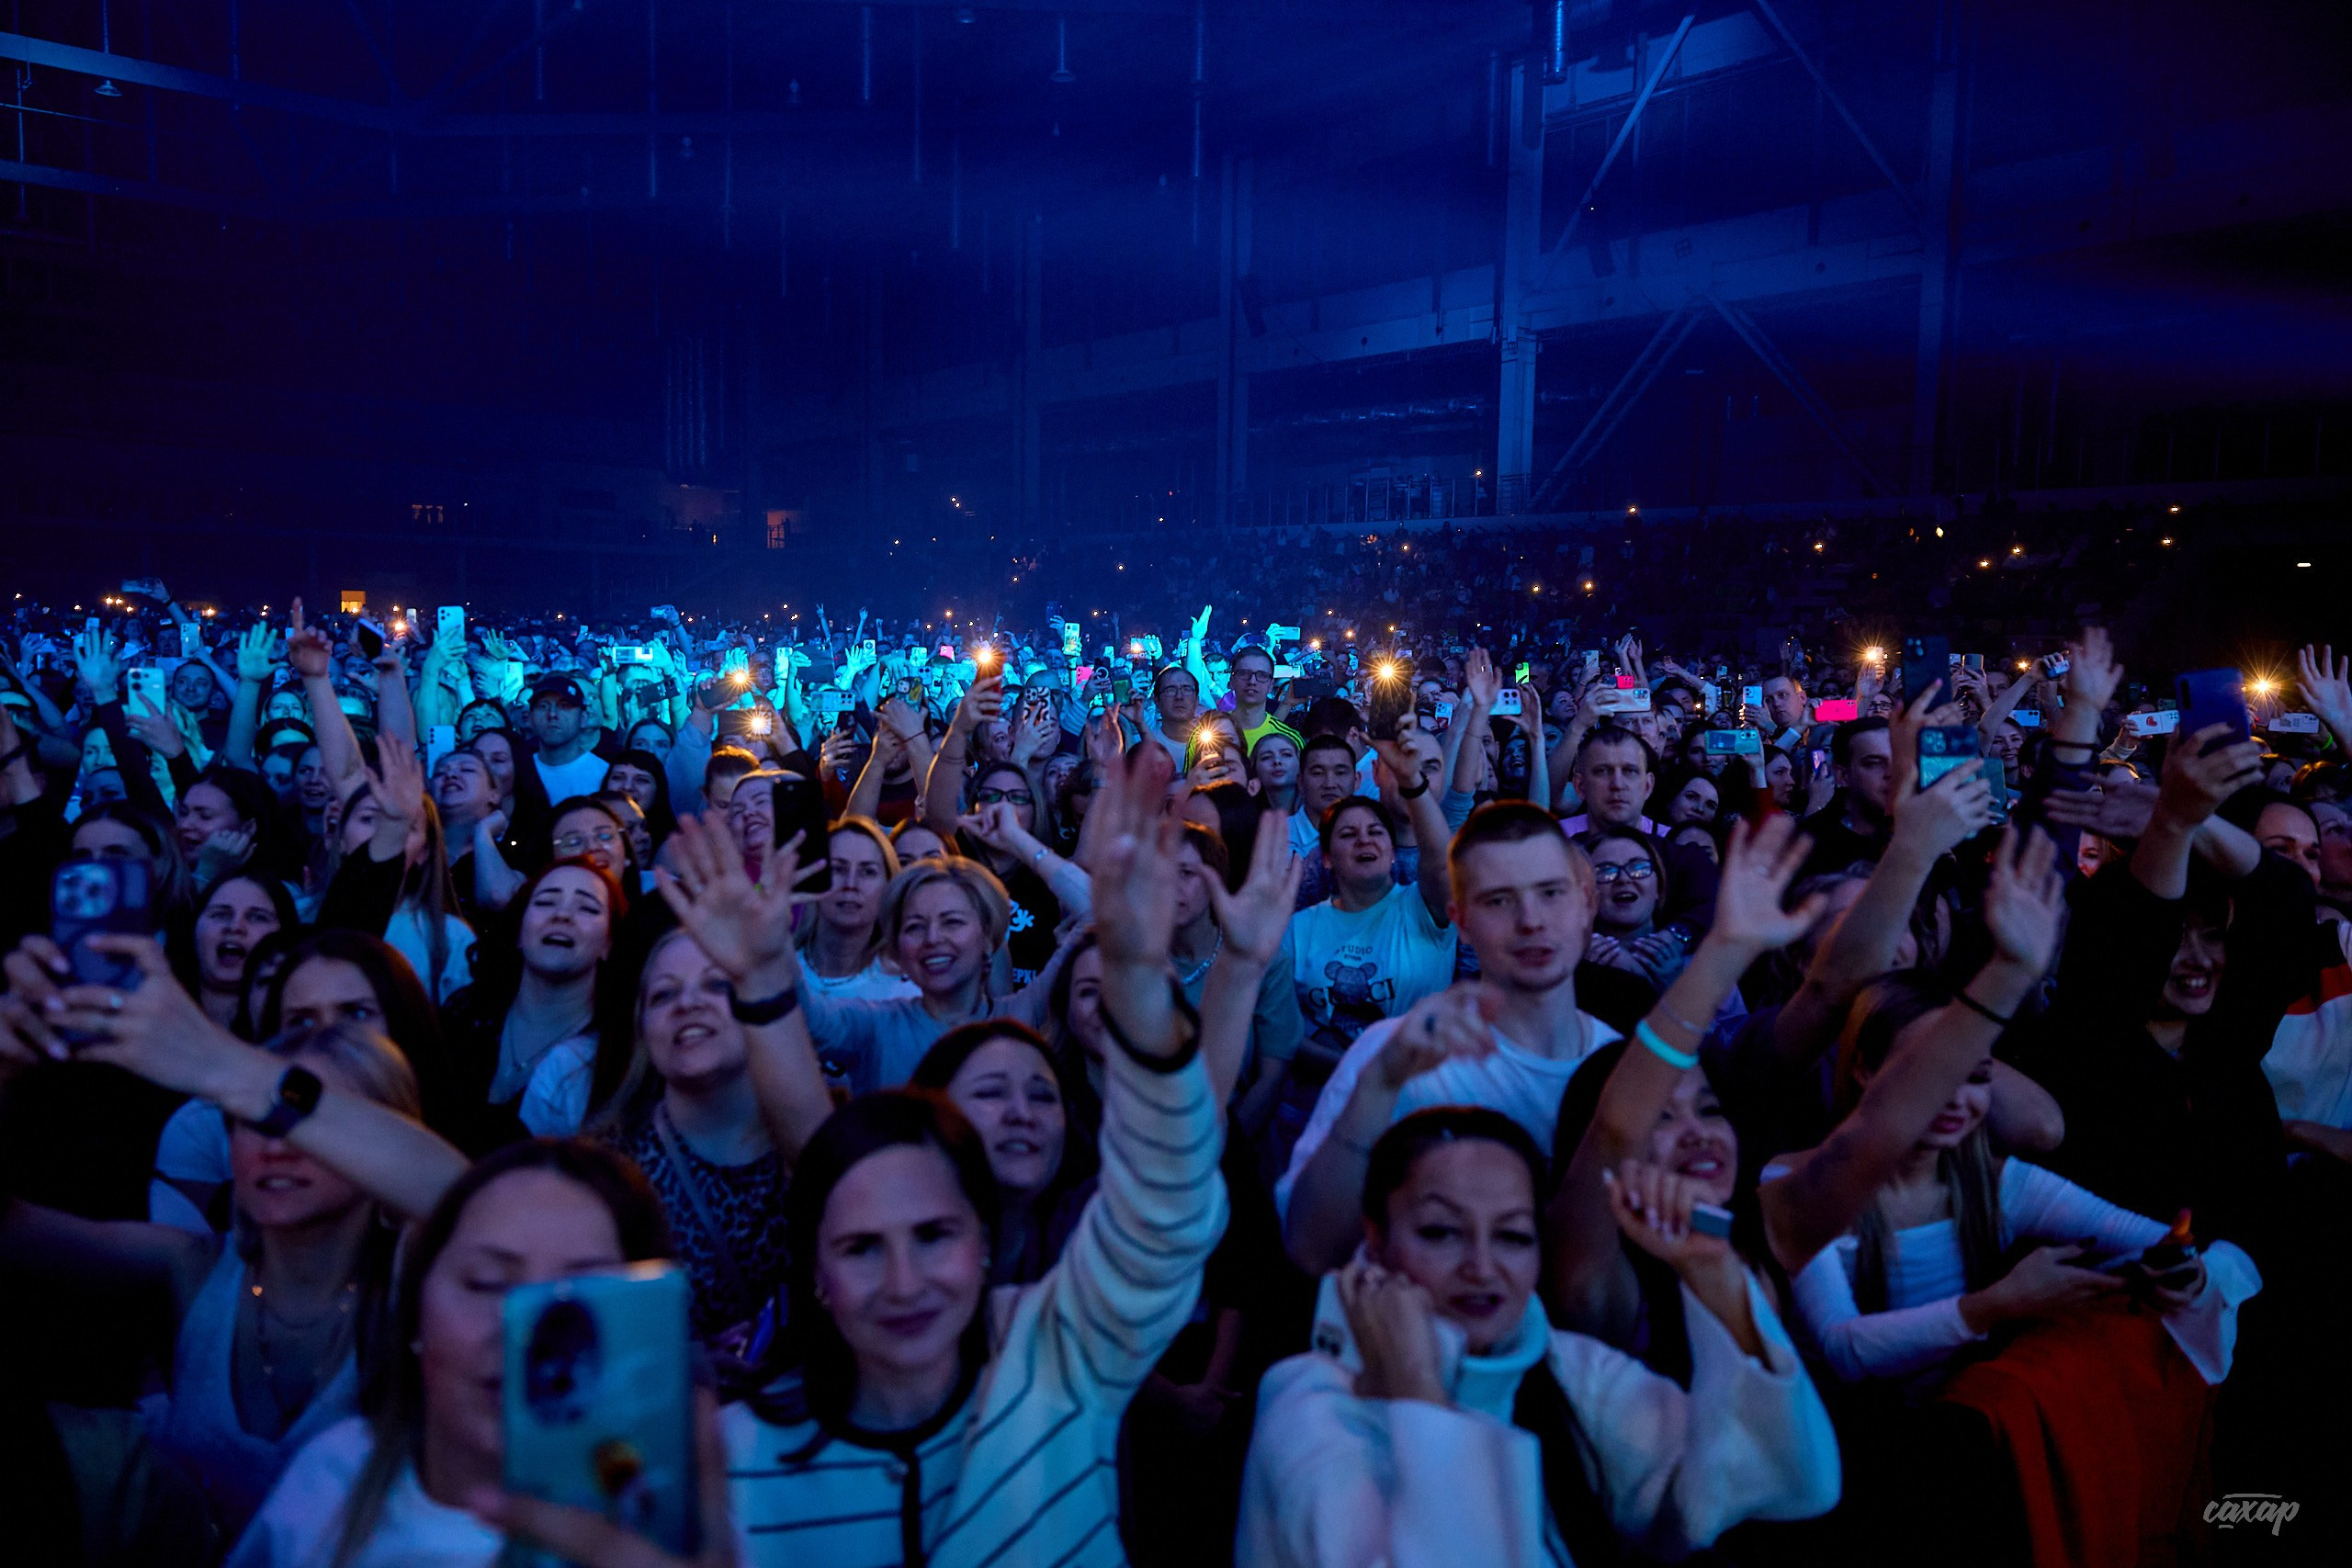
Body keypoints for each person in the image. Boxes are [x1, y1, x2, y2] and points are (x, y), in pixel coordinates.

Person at [721, 740, 1227, 1567]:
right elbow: (807, 1115)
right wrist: (761, 963)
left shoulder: (1055, 1355)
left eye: (933, 1236)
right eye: (860, 1245)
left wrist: (1139, 975)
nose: (903, 1278)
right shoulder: (743, 1454)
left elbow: (1172, 1198)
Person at [1235, 1107, 1841, 1566]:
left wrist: (1711, 1269)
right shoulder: (1311, 1406)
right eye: (1442, 1232)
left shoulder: (1563, 1367)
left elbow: (1784, 1480)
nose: (1481, 1265)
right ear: (1376, 1238)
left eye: (1513, 1236)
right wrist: (1418, 1394)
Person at [0, 1018, 422, 1540]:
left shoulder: (419, 1292)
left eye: (309, 1119)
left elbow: (473, 1203)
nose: (276, 1145)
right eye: (254, 1117)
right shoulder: (190, 1266)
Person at [228, 1142, 669, 1568]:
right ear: (416, 1313)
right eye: (487, 1282)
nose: (530, 1332)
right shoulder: (331, 1477)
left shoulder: (680, 1531)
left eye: (582, 1296)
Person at [1280, 803, 1616, 1272]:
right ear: (1460, 922)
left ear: (1586, 904)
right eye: (1499, 900)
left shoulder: (1622, 1073)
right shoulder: (1390, 1055)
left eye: (1551, 893)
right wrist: (1379, 1086)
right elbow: (1311, 1247)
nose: (1531, 920)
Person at [908, 1020, 1096, 1287]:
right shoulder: (888, 1239)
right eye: (991, 1093)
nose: (1022, 1114)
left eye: (1042, 1096)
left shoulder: (1095, 1237)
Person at [796, 818, 920, 1002]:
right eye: (838, 869)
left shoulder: (908, 993)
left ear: (888, 885)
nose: (851, 884)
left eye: (868, 872)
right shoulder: (777, 971)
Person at [1796, 717, 1895, 878]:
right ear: (1843, 774)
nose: (1891, 772)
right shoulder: (1808, 845)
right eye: (1874, 763)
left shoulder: (1924, 831)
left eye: (1898, 760)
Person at [1559, 725, 1657, 835]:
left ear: (1648, 785)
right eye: (1602, 771)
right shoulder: (1552, 844)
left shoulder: (1675, 846)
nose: (1618, 784)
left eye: (1630, 771)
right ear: (1580, 786)